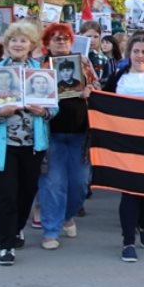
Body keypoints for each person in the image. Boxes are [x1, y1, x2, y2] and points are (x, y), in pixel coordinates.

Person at [0, 21, 57, 266]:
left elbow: (54, 108)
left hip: (32, 143)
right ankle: (6, 245)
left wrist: (43, 112)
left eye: (23, 40)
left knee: (27, 191)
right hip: (4, 143)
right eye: (14, 40)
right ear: (7, 44)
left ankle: (18, 226)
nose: (18, 44)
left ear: (31, 45)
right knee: (5, 195)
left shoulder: (41, 72)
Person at [105, 35, 144, 262]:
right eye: (136, 51)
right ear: (129, 54)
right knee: (130, 192)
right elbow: (104, 103)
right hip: (126, 144)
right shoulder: (118, 78)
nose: (140, 55)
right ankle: (127, 242)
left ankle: (143, 225)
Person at [37, 23, 99, 250]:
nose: (61, 42)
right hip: (52, 133)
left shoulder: (82, 63)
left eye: (64, 38)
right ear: (47, 43)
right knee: (53, 183)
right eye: (55, 38)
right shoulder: (40, 66)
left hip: (80, 135)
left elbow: (96, 85)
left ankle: (67, 216)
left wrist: (90, 89)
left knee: (80, 184)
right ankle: (50, 230)